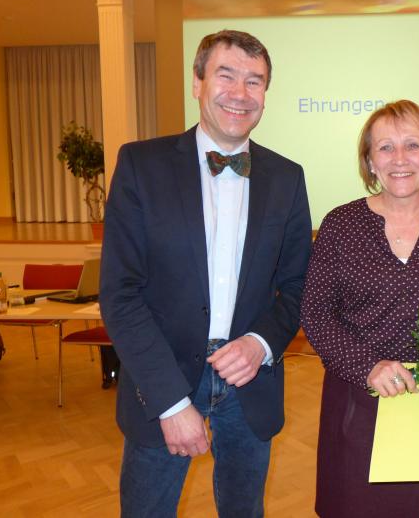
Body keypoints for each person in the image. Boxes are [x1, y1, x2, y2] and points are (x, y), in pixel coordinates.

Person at [99, 29, 312, 517]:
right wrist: (171, 403)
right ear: (197, 83)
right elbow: (120, 293)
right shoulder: (141, 165)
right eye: (226, 75)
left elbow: (298, 285)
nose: (240, 93)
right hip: (162, 379)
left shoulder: (287, 177)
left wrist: (260, 343)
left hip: (250, 382)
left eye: (254, 81)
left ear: (265, 94)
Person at [300, 100, 419, 518]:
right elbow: (315, 312)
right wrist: (368, 366)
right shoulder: (340, 225)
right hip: (358, 400)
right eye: (385, 147)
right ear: (370, 162)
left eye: (413, 145)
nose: (399, 158)